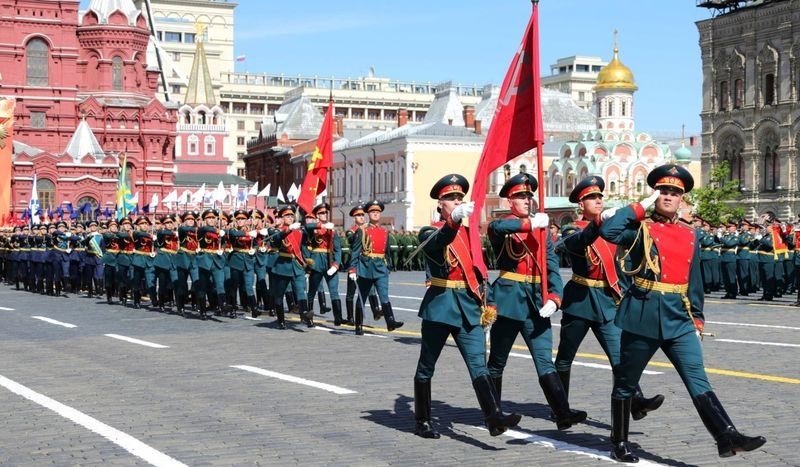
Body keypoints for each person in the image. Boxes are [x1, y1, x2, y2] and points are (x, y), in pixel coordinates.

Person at [599, 163, 765, 462]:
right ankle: (619, 441)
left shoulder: (691, 234)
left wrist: (698, 318)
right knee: (626, 382)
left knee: (698, 379)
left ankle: (727, 436)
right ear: (655, 194)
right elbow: (608, 231)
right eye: (663, 190)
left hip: (679, 318)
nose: (668, 196)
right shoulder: (641, 228)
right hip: (643, 315)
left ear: (682, 198)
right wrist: (639, 207)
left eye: (675, 192)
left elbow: (695, 281)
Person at [413, 174, 520, 439]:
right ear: (440, 204)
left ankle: (493, 416)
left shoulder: (471, 236)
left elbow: (480, 272)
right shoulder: (430, 231)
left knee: (478, 365)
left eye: (459, 198)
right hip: (441, 305)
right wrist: (454, 220)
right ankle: (423, 419)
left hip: (469, 306)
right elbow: (440, 242)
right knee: (427, 365)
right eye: (451, 199)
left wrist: (490, 301)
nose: (456, 201)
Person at [555, 176, 664, 422]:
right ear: (580, 205)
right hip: (581, 301)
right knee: (565, 357)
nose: (598, 201)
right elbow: (580, 241)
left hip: (607, 300)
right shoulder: (574, 228)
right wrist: (597, 223)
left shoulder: (609, 229)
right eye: (591, 198)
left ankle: (636, 401)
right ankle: (560, 407)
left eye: (599, 197)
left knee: (620, 357)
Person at [486, 173, 585, 431]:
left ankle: (562, 413)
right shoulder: (503, 226)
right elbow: (497, 230)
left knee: (544, 360)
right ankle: (494, 415)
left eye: (529, 196)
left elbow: (552, 267)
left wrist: (555, 297)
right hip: (508, 301)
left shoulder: (544, 233)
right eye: (521, 196)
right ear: (510, 201)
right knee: (497, 361)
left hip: (536, 303)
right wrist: (529, 225)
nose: (527, 200)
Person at [348, 200, 403, 335]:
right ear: (368, 214)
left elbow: (387, 251)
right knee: (363, 297)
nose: (375, 214)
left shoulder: (384, 232)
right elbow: (355, 251)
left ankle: (390, 322)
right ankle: (358, 325)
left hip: (380, 268)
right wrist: (353, 269)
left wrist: (388, 266)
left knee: (384, 296)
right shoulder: (362, 231)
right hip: (366, 267)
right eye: (373, 212)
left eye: (377, 212)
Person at [304, 203, 345, 326]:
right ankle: (309, 317)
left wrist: (336, 264)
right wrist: (321, 225)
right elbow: (306, 227)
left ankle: (338, 317)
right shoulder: (313, 228)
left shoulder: (332, 230)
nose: (324, 214)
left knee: (334, 291)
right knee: (312, 291)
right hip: (316, 262)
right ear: (317, 215)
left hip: (330, 261)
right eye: (321, 213)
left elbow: (338, 249)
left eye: (326, 212)